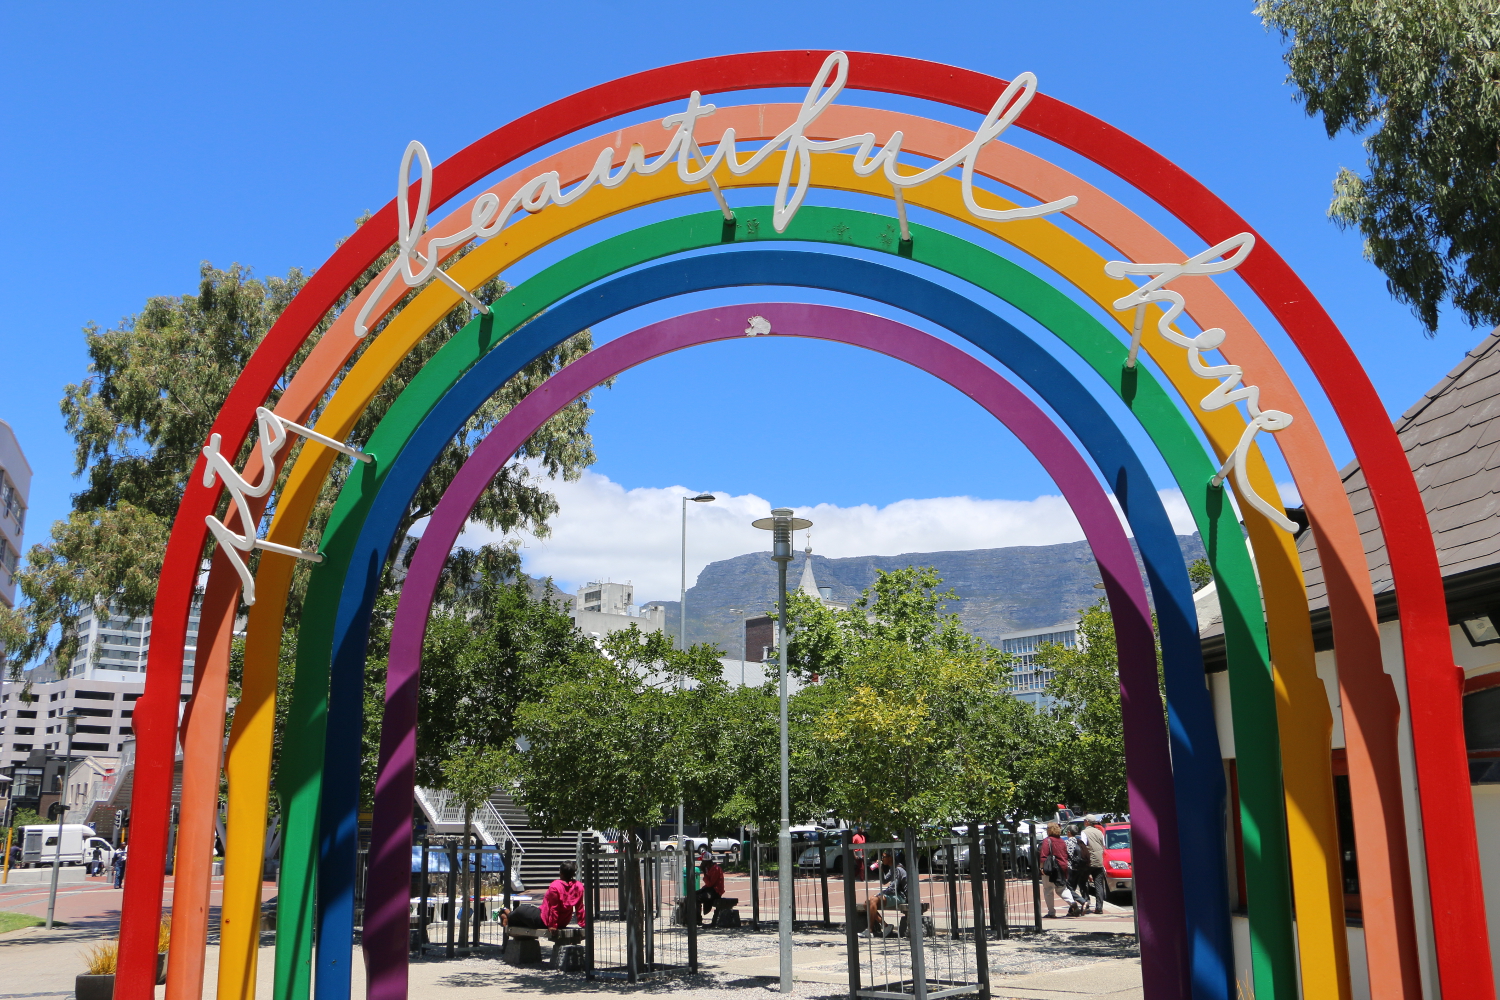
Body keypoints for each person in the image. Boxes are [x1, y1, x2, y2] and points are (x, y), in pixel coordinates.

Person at [502, 861, 587, 930]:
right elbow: (580, 908)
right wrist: (583, 924)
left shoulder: (556, 886)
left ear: (561, 873)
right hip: (563, 922)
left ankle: (508, 915)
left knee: (521, 910)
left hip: (545, 920)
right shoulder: (578, 886)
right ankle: (508, 916)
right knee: (528, 913)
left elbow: (554, 908)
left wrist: (553, 925)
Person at [861, 850, 907, 937]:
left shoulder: (898, 869)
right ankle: (886, 926)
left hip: (901, 896)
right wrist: (881, 870)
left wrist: (879, 894)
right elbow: (884, 881)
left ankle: (869, 930)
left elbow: (893, 888)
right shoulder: (892, 868)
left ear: (890, 858)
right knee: (867, 903)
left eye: (883, 857)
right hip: (894, 895)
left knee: (873, 900)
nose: (882, 859)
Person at [1038, 822, 1079, 917]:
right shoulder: (1062, 841)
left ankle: (1051, 912)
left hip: (1050, 868)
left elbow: (1043, 856)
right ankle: (1072, 903)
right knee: (1062, 888)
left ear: (1049, 830)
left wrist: (1041, 867)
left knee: (1048, 889)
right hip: (1062, 868)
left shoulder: (1047, 841)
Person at [1082, 816, 1107, 914]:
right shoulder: (1099, 832)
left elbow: (1083, 846)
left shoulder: (1084, 832)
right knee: (1099, 884)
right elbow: (1103, 844)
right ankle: (1099, 907)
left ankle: (1086, 904)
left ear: (1087, 822)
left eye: (1084, 820)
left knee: (1083, 882)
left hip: (1089, 861)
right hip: (1099, 861)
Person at [696, 847, 725, 918]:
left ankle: (697, 919)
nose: (701, 863)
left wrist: (704, 873)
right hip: (710, 889)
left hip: (716, 891)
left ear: (707, 862)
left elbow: (710, 884)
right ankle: (692, 917)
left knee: (697, 899)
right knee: (692, 895)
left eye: (702, 861)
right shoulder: (709, 868)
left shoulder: (715, 869)